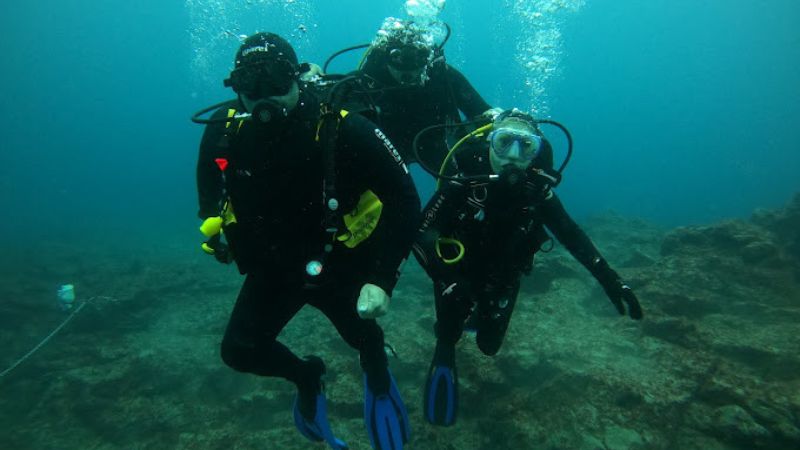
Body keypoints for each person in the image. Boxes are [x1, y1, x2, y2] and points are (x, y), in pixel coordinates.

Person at [193, 32, 420, 450]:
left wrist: (382, 278)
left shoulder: (344, 127)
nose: (265, 96)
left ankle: (377, 374)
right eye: (249, 84)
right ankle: (307, 376)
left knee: (365, 336)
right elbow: (209, 183)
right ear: (235, 86)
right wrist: (214, 225)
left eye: (278, 80)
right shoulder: (224, 130)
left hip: (339, 262)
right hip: (273, 268)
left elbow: (405, 199)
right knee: (239, 350)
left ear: (297, 77)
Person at [411, 109, 644, 427]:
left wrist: (610, 280)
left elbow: (571, 234)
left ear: (537, 152)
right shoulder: (465, 179)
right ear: (490, 144)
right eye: (504, 143)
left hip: (504, 273)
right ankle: (445, 348)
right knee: (450, 331)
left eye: (526, 147)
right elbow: (423, 233)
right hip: (457, 272)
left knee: (489, 346)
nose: (514, 157)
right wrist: (447, 280)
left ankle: (479, 314)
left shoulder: (537, 191)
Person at [349, 18, 498, 171]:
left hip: (435, 144)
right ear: (385, 56)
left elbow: (482, 112)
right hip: (385, 147)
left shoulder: (442, 75)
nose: (408, 73)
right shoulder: (370, 78)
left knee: (466, 179)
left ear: (427, 58)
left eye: (417, 60)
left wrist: (505, 119)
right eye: (398, 59)